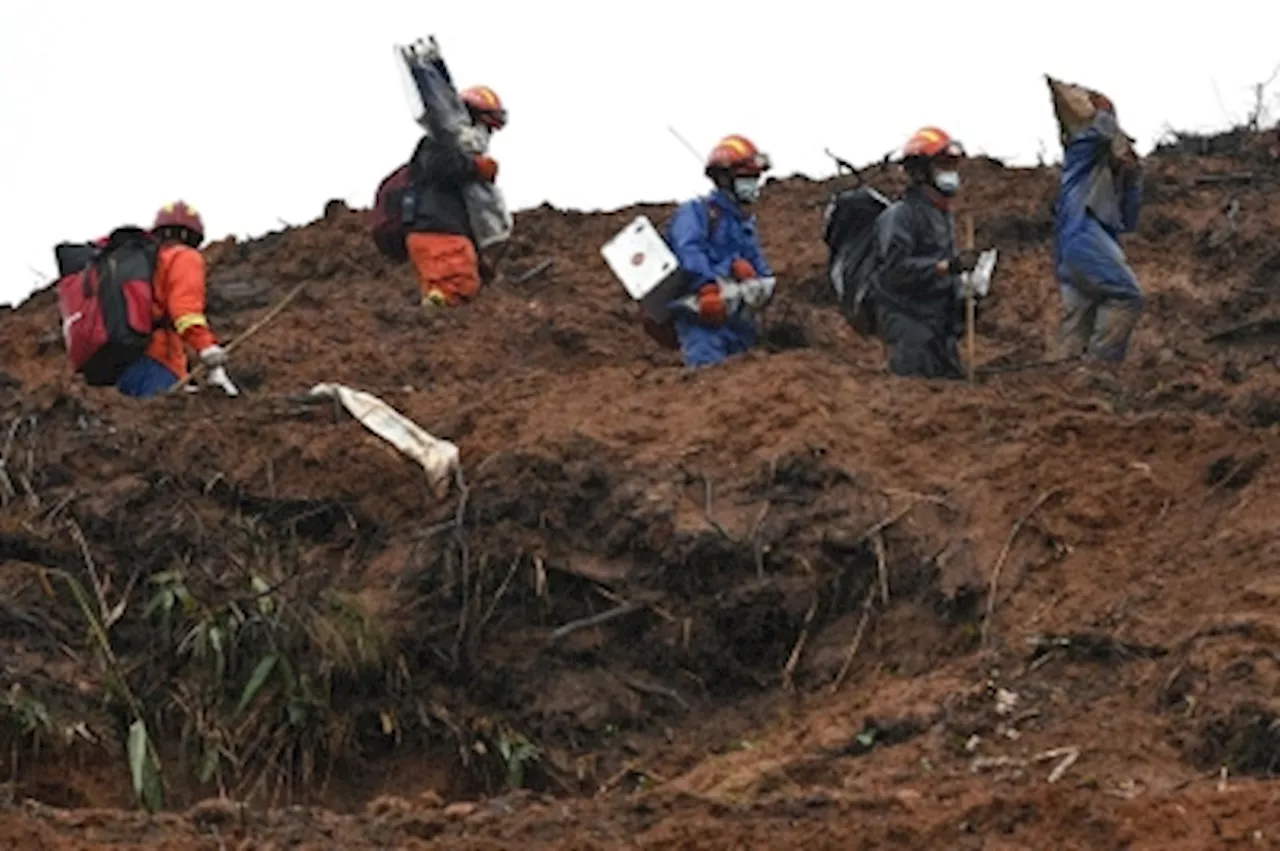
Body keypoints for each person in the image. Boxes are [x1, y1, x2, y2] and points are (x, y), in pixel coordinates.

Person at [866, 127, 979, 379]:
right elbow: (895, 271)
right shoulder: (900, 216)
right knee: (917, 388)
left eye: (952, 166)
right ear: (921, 171)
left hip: (937, 320)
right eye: (942, 165)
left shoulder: (943, 215)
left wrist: (963, 292)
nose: (950, 173)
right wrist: (945, 267)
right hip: (908, 320)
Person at [665, 134, 776, 368]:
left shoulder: (745, 225)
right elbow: (689, 251)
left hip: (741, 326)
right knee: (709, 385)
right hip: (704, 325)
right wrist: (705, 287)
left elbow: (761, 268)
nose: (753, 185)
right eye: (747, 178)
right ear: (725, 178)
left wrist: (754, 277)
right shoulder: (696, 212)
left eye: (755, 178)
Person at [1054, 92, 1144, 362]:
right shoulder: (1081, 155)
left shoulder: (1110, 180)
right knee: (1127, 295)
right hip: (1082, 237)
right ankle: (1099, 369)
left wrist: (1133, 178)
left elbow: (1129, 221)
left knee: (1079, 319)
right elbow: (1098, 131)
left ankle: (1063, 383)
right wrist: (1106, 113)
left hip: (1078, 247)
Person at [406, 85, 507, 315]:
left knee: (458, 292)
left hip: (446, 231)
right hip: (436, 230)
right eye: (484, 126)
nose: (485, 135)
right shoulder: (441, 140)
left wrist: (479, 261)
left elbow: (466, 208)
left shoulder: (454, 146)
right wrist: (476, 167)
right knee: (452, 291)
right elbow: (440, 167)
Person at [115, 201, 227, 398]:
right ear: (189, 235)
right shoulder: (184, 257)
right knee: (160, 421)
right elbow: (184, 311)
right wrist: (207, 348)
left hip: (122, 360)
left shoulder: (147, 262)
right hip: (157, 357)